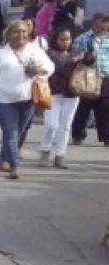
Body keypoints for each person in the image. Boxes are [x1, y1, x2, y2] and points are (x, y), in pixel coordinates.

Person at [0, 19, 54, 179]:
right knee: (10, 132)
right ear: (8, 34)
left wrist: (40, 69)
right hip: (3, 100)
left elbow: (50, 67)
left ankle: (3, 159)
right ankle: (15, 165)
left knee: (18, 132)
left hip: (28, 99)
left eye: (24, 31)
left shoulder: (34, 50)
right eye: (16, 31)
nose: (21, 35)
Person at [39, 28, 83, 168]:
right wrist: (75, 59)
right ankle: (45, 151)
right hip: (53, 93)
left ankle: (60, 155)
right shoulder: (50, 53)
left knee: (65, 126)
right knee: (51, 125)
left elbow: (88, 63)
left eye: (68, 39)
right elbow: (60, 67)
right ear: (56, 40)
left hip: (72, 94)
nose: (65, 42)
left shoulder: (75, 53)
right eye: (62, 39)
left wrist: (88, 56)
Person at [70, 13, 109, 146]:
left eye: (107, 21)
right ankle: (78, 134)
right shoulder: (84, 38)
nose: (106, 24)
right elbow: (74, 56)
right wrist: (84, 57)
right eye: (103, 21)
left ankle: (106, 137)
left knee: (105, 108)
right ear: (95, 22)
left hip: (105, 77)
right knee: (83, 107)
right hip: (88, 75)